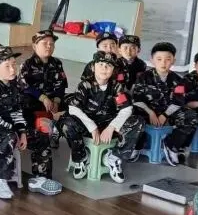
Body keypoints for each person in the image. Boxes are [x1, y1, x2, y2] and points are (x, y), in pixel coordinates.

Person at [0, 46, 61, 199]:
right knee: (9, 137)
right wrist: (15, 132)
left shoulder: (14, 84)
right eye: (7, 66)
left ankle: (40, 177)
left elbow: (17, 112)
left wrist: (23, 133)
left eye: (14, 64)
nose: (12, 69)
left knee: (41, 135)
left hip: (9, 127)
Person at [59, 51, 142, 183]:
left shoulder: (116, 87)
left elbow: (126, 109)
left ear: (113, 70)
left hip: (108, 127)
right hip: (87, 126)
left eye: (109, 65)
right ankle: (81, 157)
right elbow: (74, 108)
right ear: (93, 67)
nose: (104, 68)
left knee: (137, 121)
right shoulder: (85, 85)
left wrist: (111, 127)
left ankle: (114, 158)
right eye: (101, 64)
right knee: (66, 123)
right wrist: (92, 127)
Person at [132, 41, 198, 166]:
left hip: (168, 113)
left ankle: (172, 145)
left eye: (168, 59)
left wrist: (165, 115)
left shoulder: (178, 80)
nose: (163, 63)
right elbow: (137, 99)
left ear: (173, 60)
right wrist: (150, 112)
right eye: (159, 59)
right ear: (152, 60)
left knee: (192, 116)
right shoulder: (144, 77)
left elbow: (178, 101)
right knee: (133, 116)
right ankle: (136, 145)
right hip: (146, 112)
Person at [19, 30, 68, 183]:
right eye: (44, 43)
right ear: (34, 46)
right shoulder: (27, 64)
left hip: (53, 102)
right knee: (25, 103)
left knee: (74, 102)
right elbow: (24, 86)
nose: (49, 46)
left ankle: (56, 129)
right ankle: (38, 130)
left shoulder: (56, 63)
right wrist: (43, 98)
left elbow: (61, 85)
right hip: (34, 102)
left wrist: (57, 101)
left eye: (51, 44)